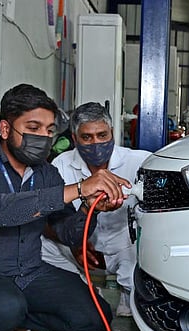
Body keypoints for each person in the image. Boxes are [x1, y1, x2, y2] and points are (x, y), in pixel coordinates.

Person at [0, 84, 131, 331]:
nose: (43, 137)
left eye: (48, 130)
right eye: (33, 127)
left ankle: (19, 321)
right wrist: (80, 188)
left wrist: (89, 208)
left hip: (30, 271)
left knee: (95, 316)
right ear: (6, 129)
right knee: (4, 305)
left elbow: (68, 232)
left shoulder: (48, 174)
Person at [42, 102, 151, 317]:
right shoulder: (60, 166)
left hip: (126, 246)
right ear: (75, 139)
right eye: (87, 138)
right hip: (81, 248)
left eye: (102, 135)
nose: (96, 143)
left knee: (138, 301)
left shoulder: (140, 162)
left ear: (112, 133)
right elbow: (45, 219)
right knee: (41, 247)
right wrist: (72, 242)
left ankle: (128, 291)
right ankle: (83, 287)